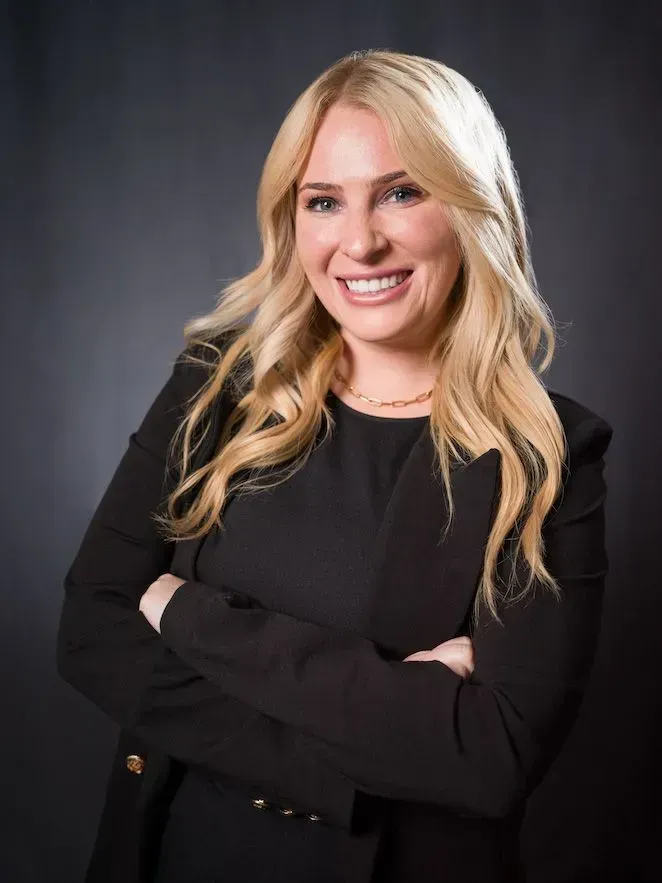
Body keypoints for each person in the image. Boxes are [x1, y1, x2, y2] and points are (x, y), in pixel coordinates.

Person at [56, 48, 613, 883]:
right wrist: (366, 727)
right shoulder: (216, 388)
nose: (360, 240)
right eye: (325, 201)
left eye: (401, 191)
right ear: (293, 220)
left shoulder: (546, 454)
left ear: (471, 208)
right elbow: (92, 629)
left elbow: (489, 757)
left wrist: (190, 615)